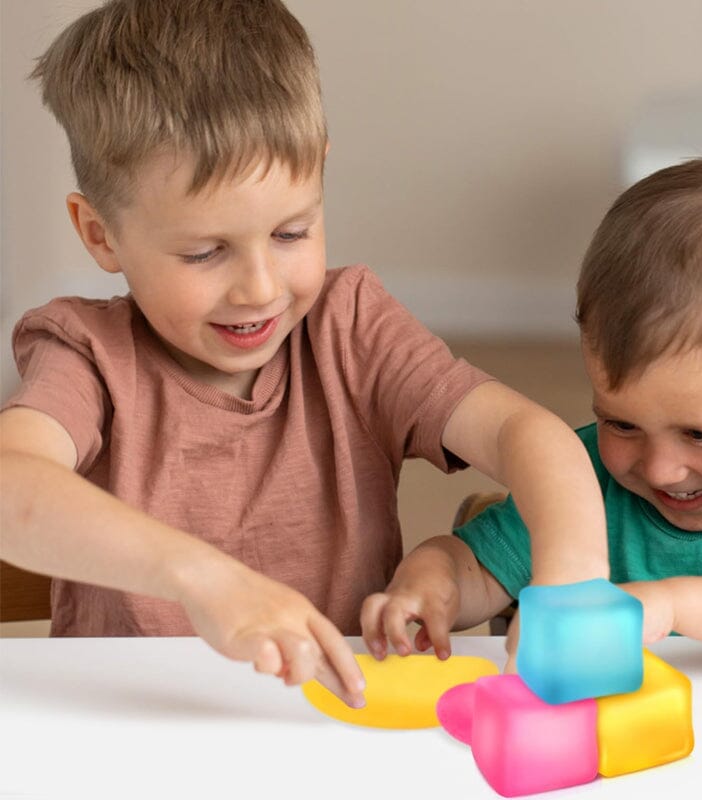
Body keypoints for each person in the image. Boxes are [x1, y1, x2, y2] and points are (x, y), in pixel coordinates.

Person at [0, 0, 609, 708]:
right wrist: (204, 579)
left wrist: (571, 577)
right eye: (204, 252)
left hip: (336, 731)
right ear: (101, 234)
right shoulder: (87, 355)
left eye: (291, 233)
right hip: (134, 729)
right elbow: (12, 484)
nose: (259, 289)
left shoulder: (351, 330)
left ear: (320, 173)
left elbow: (523, 432)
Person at [362, 156, 702, 670]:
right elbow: (477, 570)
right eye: (622, 424)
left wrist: (666, 605)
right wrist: (432, 579)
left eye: (700, 434)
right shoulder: (582, 481)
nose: (659, 469)